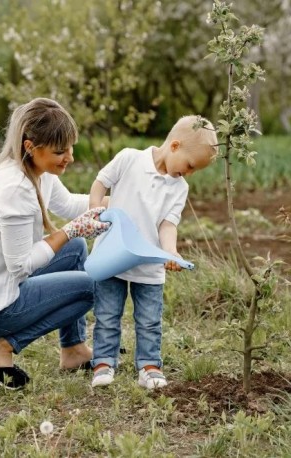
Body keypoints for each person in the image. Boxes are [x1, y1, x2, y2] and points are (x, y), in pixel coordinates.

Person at [0, 97, 110, 390]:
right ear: (31, 146)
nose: (70, 157)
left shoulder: (36, 171)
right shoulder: (14, 189)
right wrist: (69, 231)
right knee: (92, 285)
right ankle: (3, 343)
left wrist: (124, 203)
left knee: (76, 249)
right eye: (60, 151)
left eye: (71, 148)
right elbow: (20, 265)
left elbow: (67, 204)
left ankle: (74, 350)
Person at [88, 115, 218, 389]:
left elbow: (168, 224)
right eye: (190, 165)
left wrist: (170, 252)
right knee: (108, 315)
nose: (190, 173)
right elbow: (101, 182)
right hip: (112, 257)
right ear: (174, 146)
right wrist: (95, 211)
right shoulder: (129, 159)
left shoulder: (179, 188)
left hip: (148, 266)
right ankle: (103, 362)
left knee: (149, 320)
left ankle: (148, 365)